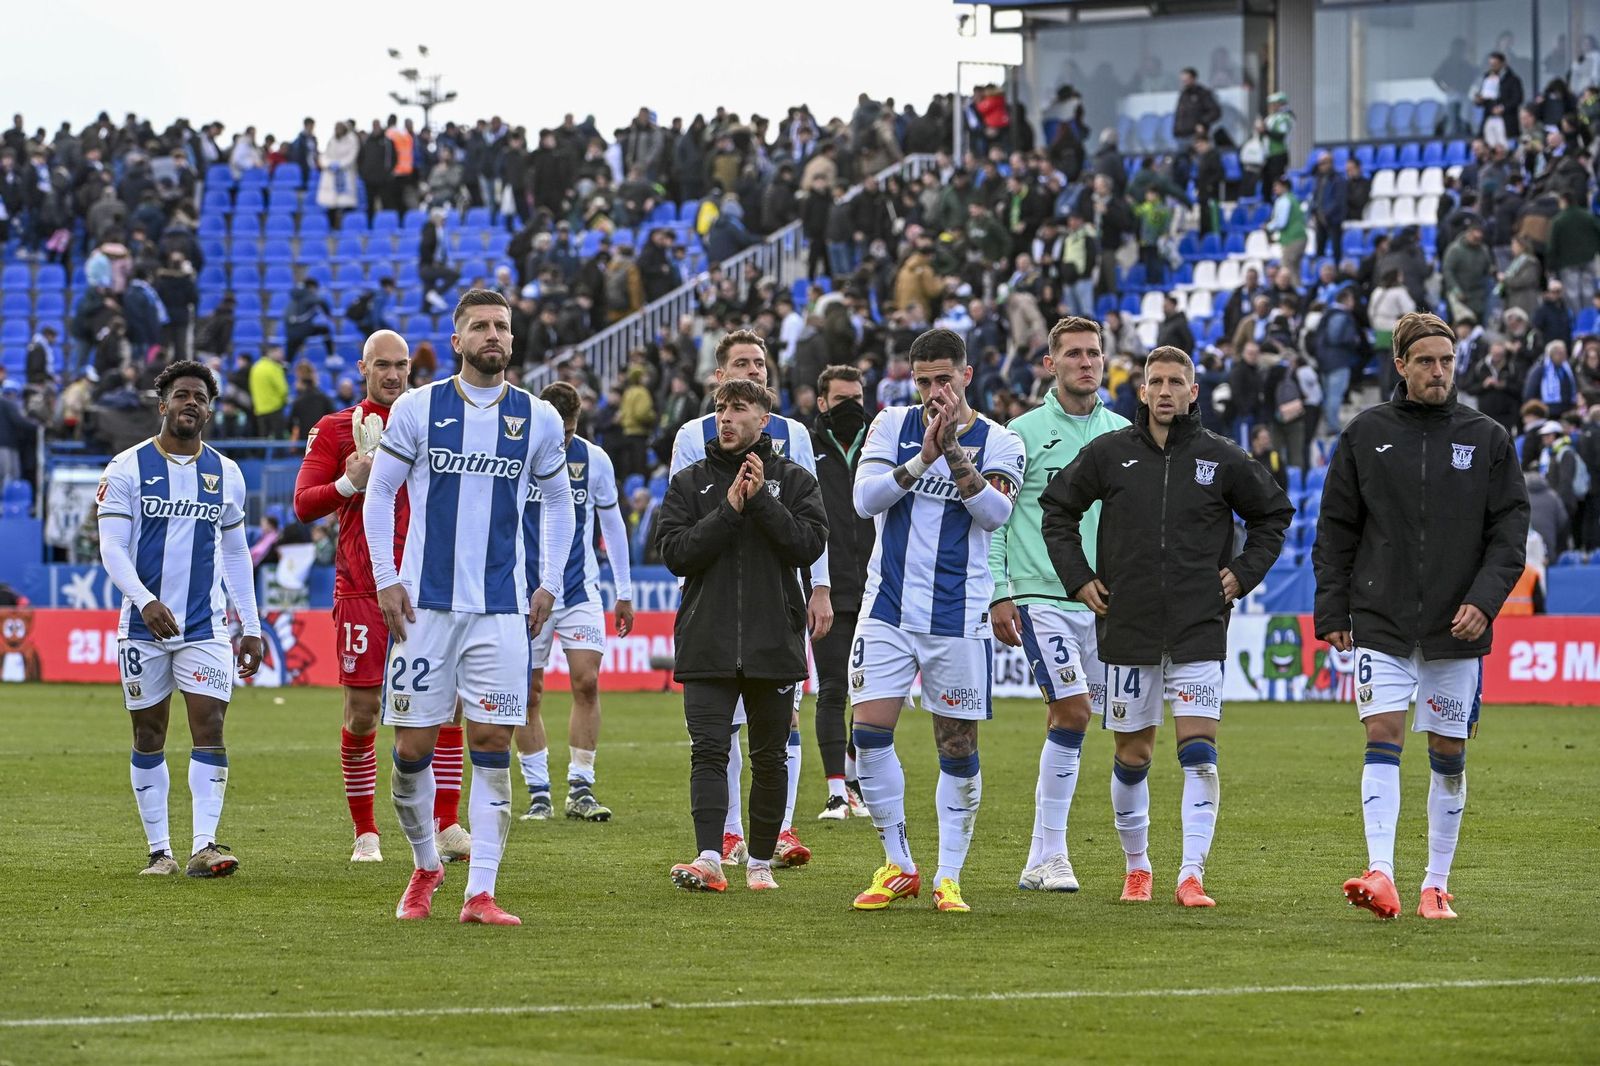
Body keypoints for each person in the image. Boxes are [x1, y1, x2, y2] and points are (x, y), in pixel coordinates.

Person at [1041, 346, 1293, 907]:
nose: (1164, 391)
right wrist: (1079, 577)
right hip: (1127, 626)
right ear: (1141, 391)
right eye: (1155, 382)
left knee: (1199, 750)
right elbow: (1057, 511)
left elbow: (1274, 515)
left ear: (1193, 391)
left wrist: (1243, 573)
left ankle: (1191, 874)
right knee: (1133, 756)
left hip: (1198, 626)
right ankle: (1138, 868)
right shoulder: (1108, 454)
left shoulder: (1221, 458)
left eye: (1176, 382)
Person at [362, 289, 575, 926]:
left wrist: (549, 583)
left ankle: (479, 891)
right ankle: (426, 864)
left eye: (501, 327)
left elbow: (561, 505)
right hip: (424, 609)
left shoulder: (536, 418)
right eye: (479, 326)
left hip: (500, 611)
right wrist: (386, 578)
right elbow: (380, 496)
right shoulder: (420, 409)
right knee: (409, 753)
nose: (492, 335)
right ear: (456, 341)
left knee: (489, 743)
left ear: (513, 340)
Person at [1314, 312, 1530, 921]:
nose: (1439, 372)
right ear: (1401, 365)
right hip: (1379, 619)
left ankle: (1436, 883)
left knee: (1448, 752)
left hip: (1456, 627)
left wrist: (1484, 602)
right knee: (1382, 734)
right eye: (1427, 361)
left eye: (1447, 361)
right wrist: (1332, 606)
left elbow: (1509, 535)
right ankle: (1381, 872)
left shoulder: (1487, 438)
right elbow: (1335, 531)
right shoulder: (1365, 434)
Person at [849, 327, 1026, 914]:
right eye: (923, 380)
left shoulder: (1000, 440)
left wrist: (950, 448)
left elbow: (995, 514)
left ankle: (949, 876)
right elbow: (865, 500)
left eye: (943, 379)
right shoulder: (889, 426)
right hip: (888, 608)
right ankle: (900, 864)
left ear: (966, 377)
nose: (932, 390)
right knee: (869, 734)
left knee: (956, 744)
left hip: (959, 613)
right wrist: (922, 454)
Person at [291, 332, 465, 864]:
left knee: (447, 705)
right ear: (363, 368)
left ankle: (448, 825)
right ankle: (366, 831)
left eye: (402, 365)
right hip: (363, 588)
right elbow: (302, 504)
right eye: (382, 366)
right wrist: (349, 483)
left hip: (430, 586)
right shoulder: (336, 428)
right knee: (363, 712)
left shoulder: (437, 419)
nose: (393, 375)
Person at [655, 378, 828, 892]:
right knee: (708, 750)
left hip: (774, 641)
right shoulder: (690, 482)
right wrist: (729, 509)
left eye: (738, 409)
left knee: (769, 756)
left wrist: (760, 503)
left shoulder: (795, 481)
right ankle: (709, 857)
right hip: (706, 640)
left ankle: (758, 862)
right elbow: (674, 553)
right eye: (720, 409)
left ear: (764, 420)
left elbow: (807, 544)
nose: (725, 419)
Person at [97, 360, 264, 877]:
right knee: (149, 734)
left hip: (205, 627)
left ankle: (205, 845)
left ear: (210, 410)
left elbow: (236, 555)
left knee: (209, 726)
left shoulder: (226, 474)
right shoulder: (126, 469)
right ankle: (159, 852)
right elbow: (112, 548)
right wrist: (145, 600)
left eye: (201, 397)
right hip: (142, 627)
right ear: (162, 403)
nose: (191, 402)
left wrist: (251, 627)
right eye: (182, 394)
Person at [990, 317, 1128, 893]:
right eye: (1073, 353)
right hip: (1041, 596)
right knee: (1072, 711)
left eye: (1094, 353)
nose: (1086, 362)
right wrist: (1000, 592)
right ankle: (1048, 855)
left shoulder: (1125, 433)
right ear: (1050, 364)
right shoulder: (1018, 435)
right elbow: (995, 519)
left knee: (1122, 726)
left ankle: (1116, 861)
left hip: (1108, 603)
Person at [513, 381, 635, 822]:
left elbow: (613, 524)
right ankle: (538, 792)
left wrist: (623, 591)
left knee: (586, 681)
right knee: (528, 692)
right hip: (523, 593)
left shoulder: (593, 459)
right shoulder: (516, 452)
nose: (562, 440)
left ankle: (581, 788)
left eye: (569, 431)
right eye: (557, 430)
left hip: (579, 589)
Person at [807, 365, 876, 819]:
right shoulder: (804, 448)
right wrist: (816, 585)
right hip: (828, 588)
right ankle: (836, 790)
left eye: (857, 397)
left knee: (869, 694)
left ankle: (854, 776)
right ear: (821, 403)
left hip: (877, 588)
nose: (852, 406)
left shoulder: (880, 445)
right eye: (841, 399)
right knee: (833, 688)